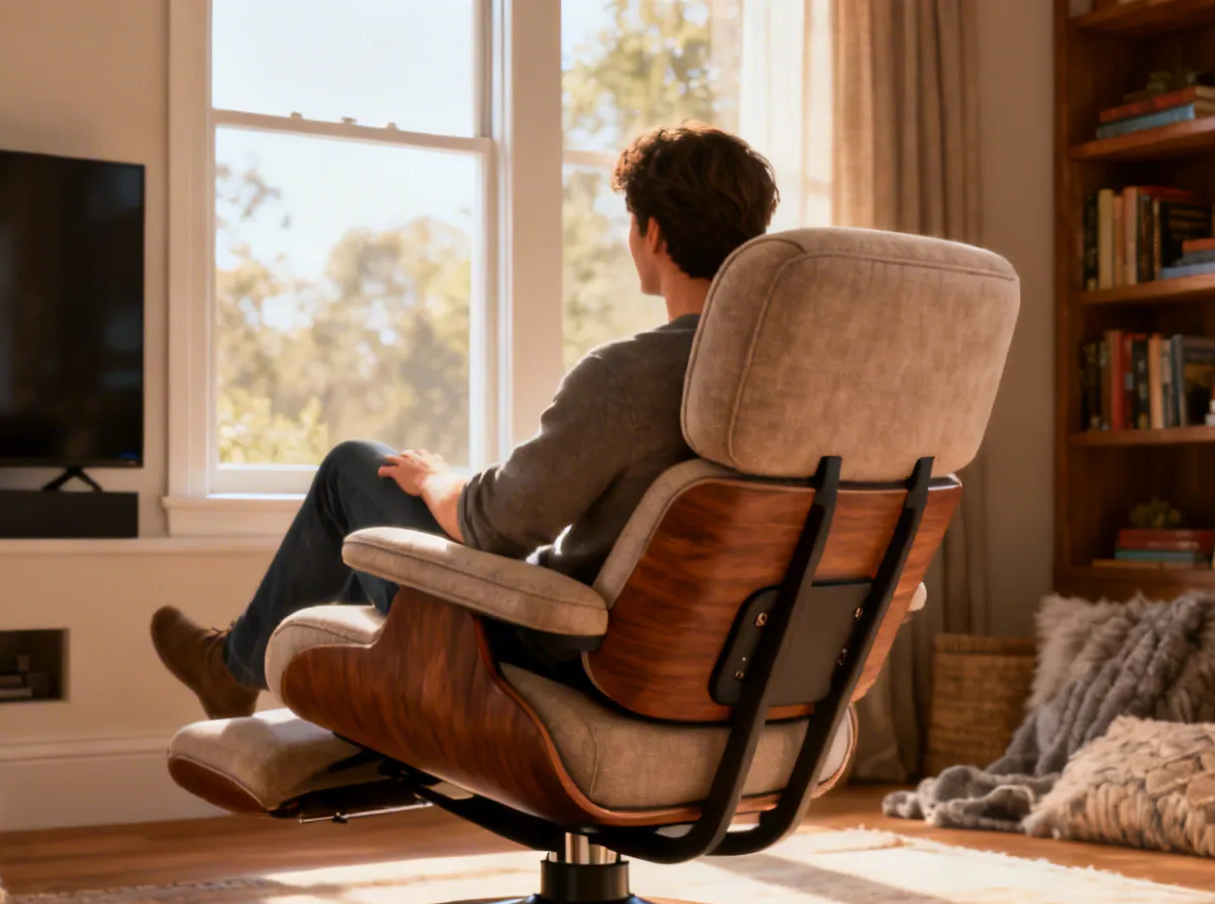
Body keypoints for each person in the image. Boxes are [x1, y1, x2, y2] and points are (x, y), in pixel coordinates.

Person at [152, 123, 779, 720]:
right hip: (711, 664)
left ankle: (233, 669)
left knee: (355, 466)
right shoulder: (794, 386)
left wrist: (434, 480)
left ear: (656, 236)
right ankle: (287, 681)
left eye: (631, 224)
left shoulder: (628, 376)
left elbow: (493, 526)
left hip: (548, 653)